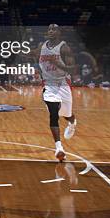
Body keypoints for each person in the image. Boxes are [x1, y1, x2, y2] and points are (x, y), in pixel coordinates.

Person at [37, 24, 79, 161]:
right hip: (49, 85)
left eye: (54, 29)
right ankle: (59, 148)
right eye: (49, 29)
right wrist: (13, 50)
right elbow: (32, 53)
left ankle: (72, 122)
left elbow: (72, 69)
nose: (50, 31)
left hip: (63, 84)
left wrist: (56, 63)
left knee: (66, 114)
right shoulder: (43, 46)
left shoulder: (64, 48)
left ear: (59, 32)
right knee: (53, 113)